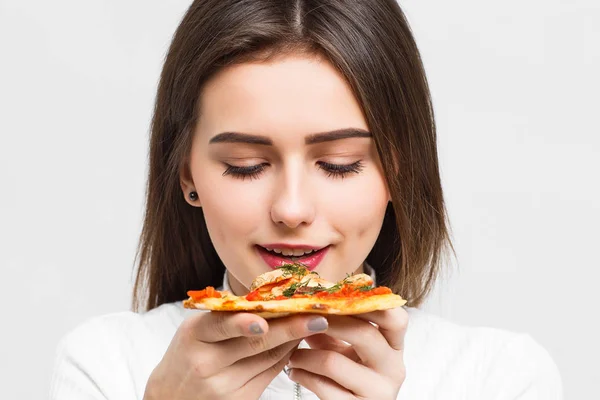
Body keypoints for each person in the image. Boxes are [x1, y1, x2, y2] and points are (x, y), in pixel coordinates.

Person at [49, 0, 562, 399]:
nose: (292, 209)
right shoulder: (104, 365)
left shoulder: (501, 377)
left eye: (339, 163)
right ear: (188, 173)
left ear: (396, 169)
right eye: (245, 166)